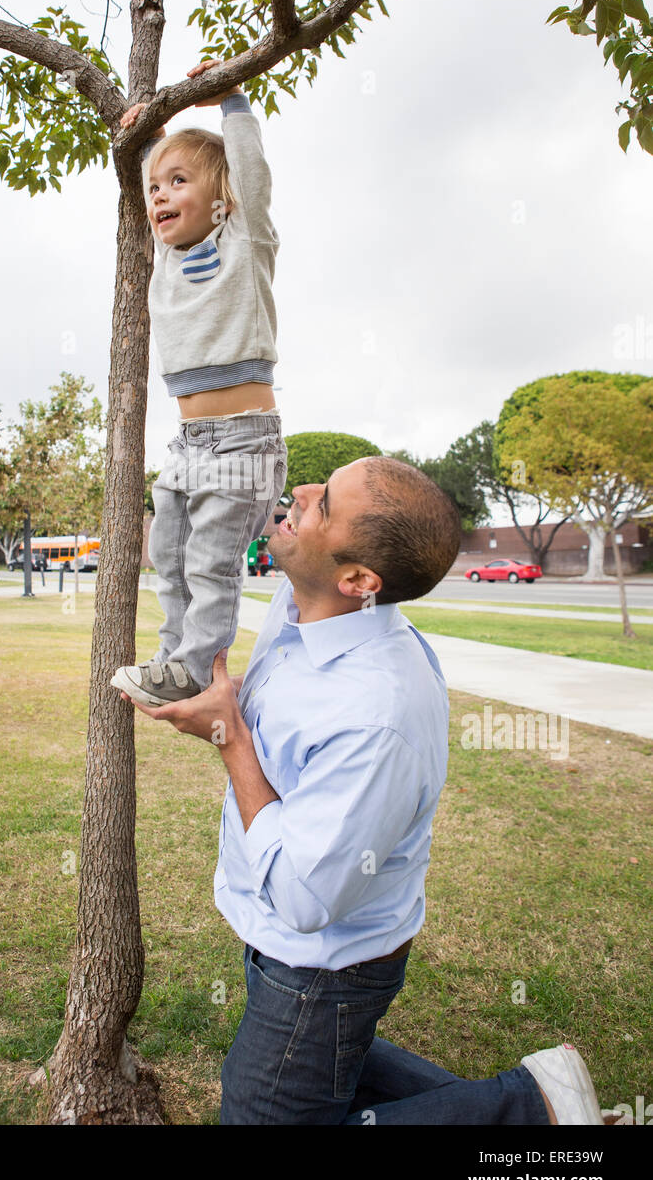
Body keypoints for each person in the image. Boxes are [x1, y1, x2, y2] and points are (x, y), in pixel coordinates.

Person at [120, 456, 606, 1126]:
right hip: (292, 951)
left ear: (357, 580)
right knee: (330, 1064)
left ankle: (532, 1110)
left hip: (323, 966)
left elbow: (305, 896)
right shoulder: (302, 609)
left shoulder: (376, 711)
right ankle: (542, 1105)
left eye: (322, 504)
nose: (302, 493)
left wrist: (227, 736)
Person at [111, 59, 287, 708]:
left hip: (244, 440)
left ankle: (194, 666)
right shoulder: (166, 260)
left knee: (211, 561)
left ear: (221, 197)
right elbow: (149, 178)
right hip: (188, 442)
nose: (160, 197)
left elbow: (251, 176)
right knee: (170, 550)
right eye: (156, 188)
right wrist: (147, 138)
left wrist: (231, 101)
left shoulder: (247, 238)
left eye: (178, 183)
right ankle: (170, 657)